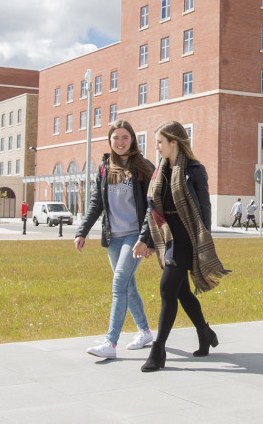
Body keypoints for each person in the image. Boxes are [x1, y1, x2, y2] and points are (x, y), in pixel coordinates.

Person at [133, 121, 231, 372]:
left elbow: (204, 207)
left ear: (174, 142)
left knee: (167, 288)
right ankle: (205, 333)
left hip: (187, 235)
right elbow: (151, 210)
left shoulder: (195, 170)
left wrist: (203, 239)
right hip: (167, 235)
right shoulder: (160, 171)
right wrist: (145, 238)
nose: (156, 147)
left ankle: (158, 351)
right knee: (181, 292)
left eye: (160, 142)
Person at [75, 120, 159, 359]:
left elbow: (152, 206)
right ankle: (144, 331)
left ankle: (110, 343)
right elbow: (96, 203)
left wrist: (146, 239)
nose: (120, 142)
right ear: (110, 141)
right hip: (113, 237)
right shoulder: (104, 168)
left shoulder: (143, 167)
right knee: (128, 287)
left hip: (134, 236)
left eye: (125, 137)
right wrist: (82, 231)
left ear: (132, 139)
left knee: (119, 282)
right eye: (116, 138)